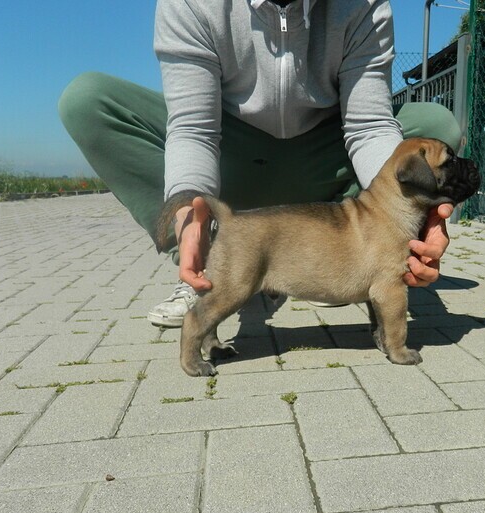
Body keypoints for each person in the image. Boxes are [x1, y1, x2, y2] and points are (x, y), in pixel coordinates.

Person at [59, 0, 462, 327]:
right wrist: (187, 212)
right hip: (232, 153)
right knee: (88, 101)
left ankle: (336, 267)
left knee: (434, 125)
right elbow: (194, 128)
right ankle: (208, 262)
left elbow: (369, 125)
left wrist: (409, 219)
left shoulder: (363, 5)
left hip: (323, 156)